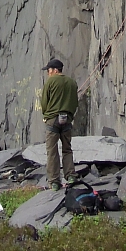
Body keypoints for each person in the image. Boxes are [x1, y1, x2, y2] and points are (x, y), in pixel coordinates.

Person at [40, 59, 79, 191]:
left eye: (49, 70)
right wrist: (70, 116)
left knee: (52, 150)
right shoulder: (72, 83)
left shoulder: (51, 81)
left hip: (52, 120)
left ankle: (55, 182)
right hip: (67, 119)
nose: (48, 73)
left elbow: (44, 101)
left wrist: (46, 116)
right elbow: (75, 103)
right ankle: (71, 175)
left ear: (55, 70)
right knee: (67, 148)